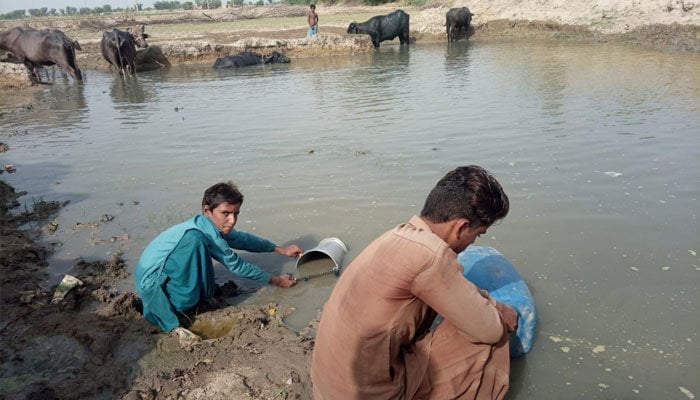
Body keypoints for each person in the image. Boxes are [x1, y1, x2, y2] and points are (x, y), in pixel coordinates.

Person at [311, 165, 519, 400]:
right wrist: (501, 311)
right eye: (478, 234)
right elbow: (489, 330)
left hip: (326, 389)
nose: (473, 242)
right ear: (461, 227)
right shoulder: (430, 256)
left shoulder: (396, 235)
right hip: (372, 395)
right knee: (492, 337)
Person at [134, 181, 302, 346]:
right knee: (195, 242)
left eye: (236, 213)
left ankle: (197, 297)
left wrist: (281, 250)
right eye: (226, 213)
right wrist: (277, 281)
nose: (232, 220)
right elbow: (237, 265)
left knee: (198, 245)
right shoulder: (197, 233)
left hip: (162, 273)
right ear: (207, 211)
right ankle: (177, 309)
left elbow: (243, 240)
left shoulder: (207, 225)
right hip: (152, 285)